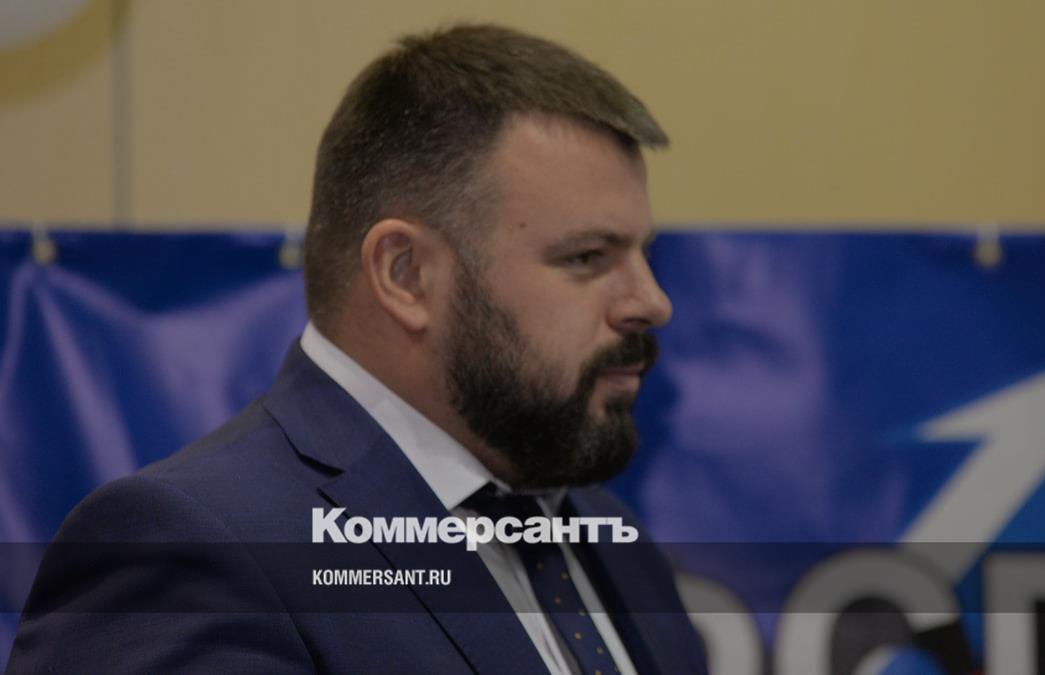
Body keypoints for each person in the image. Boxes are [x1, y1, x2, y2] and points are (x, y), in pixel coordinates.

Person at [6, 23, 707, 674]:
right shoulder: (189, 550)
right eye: (587, 257)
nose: (651, 302)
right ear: (406, 275)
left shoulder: (612, 538)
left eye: (643, 254)